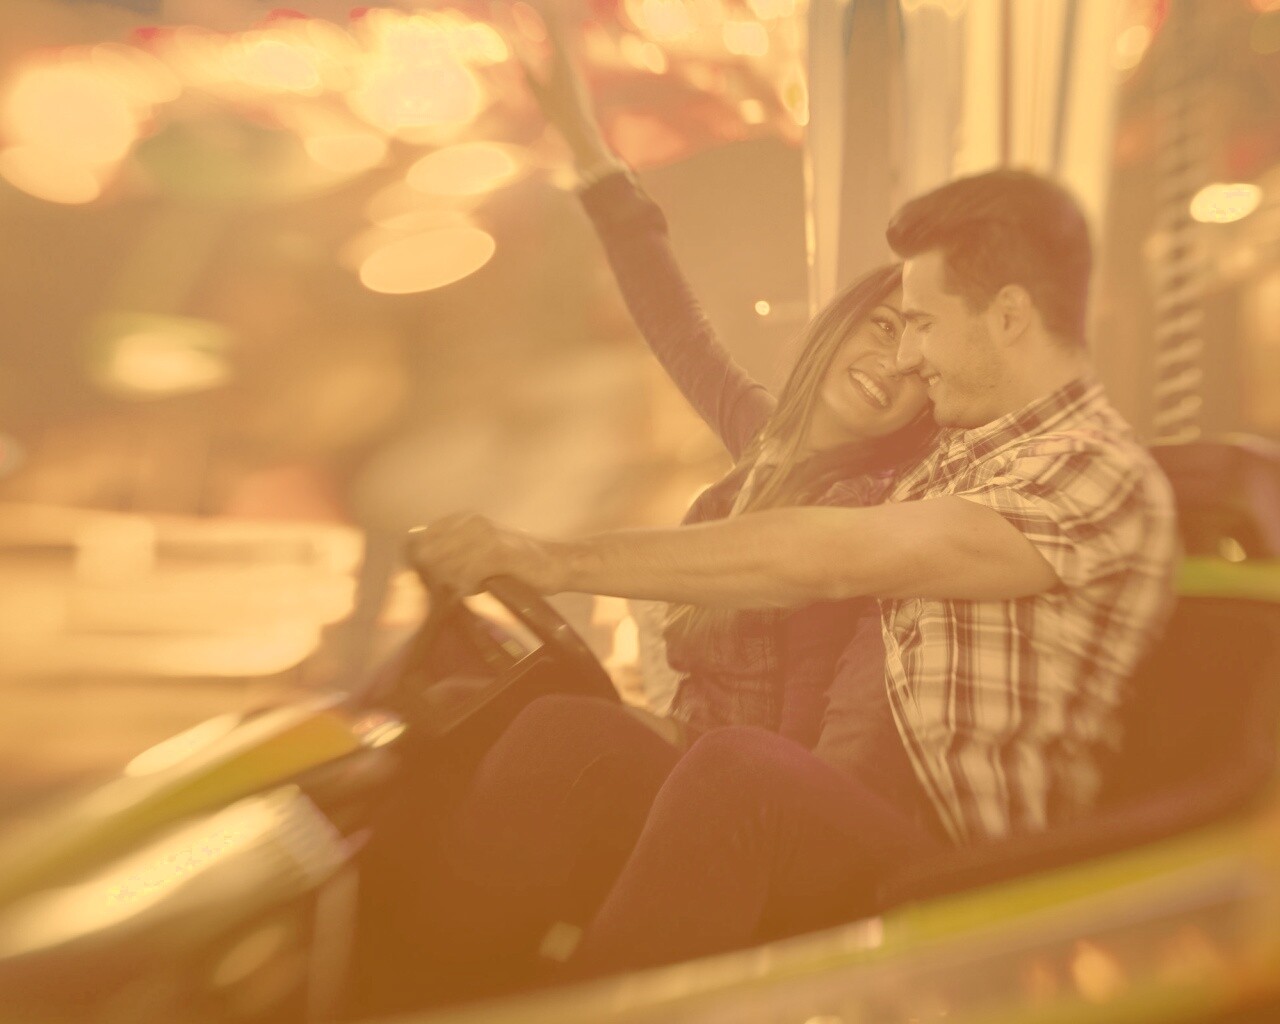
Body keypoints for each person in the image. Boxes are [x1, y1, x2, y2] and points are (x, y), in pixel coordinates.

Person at [409, 44, 1177, 994]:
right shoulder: (953, 451)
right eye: (892, 326)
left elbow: (828, 558)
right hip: (823, 802)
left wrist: (550, 557)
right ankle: (423, 987)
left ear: (1010, 317)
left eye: (923, 327)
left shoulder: (1072, 471)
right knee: (560, 732)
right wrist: (587, 146)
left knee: (741, 775)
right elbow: (677, 325)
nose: (908, 362)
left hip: (969, 877)